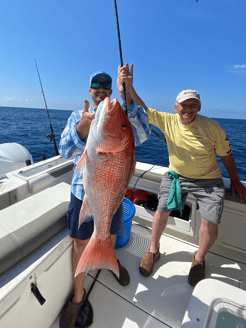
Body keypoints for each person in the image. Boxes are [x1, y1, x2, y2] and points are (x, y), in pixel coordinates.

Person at [117, 64, 246, 287]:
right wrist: (129, 87)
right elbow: (142, 108)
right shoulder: (168, 120)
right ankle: (153, 250)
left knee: (210, 222)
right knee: (161, 210)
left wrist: (235, 181)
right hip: (176, 176)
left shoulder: (213, 127)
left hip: (209, 181)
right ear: (176, 107)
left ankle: (199, 259)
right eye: (183, 105)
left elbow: (226, 156)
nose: (188, 109)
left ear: (199, 107)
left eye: (193, 105)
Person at [58, 68, 151, 327]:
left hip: (113, 193)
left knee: (109, 236)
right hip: (83, 193)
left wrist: (128, 96)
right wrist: (84, 127)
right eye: (96, 85)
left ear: (111, 91)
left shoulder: (124, 114)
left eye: (106, 86)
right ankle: (78, 296)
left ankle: (108, 261)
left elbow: (143, 134)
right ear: (90, 91)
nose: (101, 89)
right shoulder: (79, 116)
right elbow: (65, 150)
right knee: (79, 244)